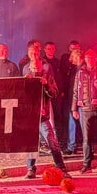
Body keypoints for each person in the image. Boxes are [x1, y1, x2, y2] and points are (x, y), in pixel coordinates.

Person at [21, 41, 69, 179]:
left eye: (36, 53)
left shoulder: (47, 68)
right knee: (31, 142)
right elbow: (22, 92)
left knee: (51, 139)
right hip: (30, 114)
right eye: (31, 53)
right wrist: (26, 83)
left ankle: (61, 168)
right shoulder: (25, 69)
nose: (34, 55)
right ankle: (30, 169)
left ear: (39, 53)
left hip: (43, 113)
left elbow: (54, 92)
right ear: (29, 54)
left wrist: (46, 84)